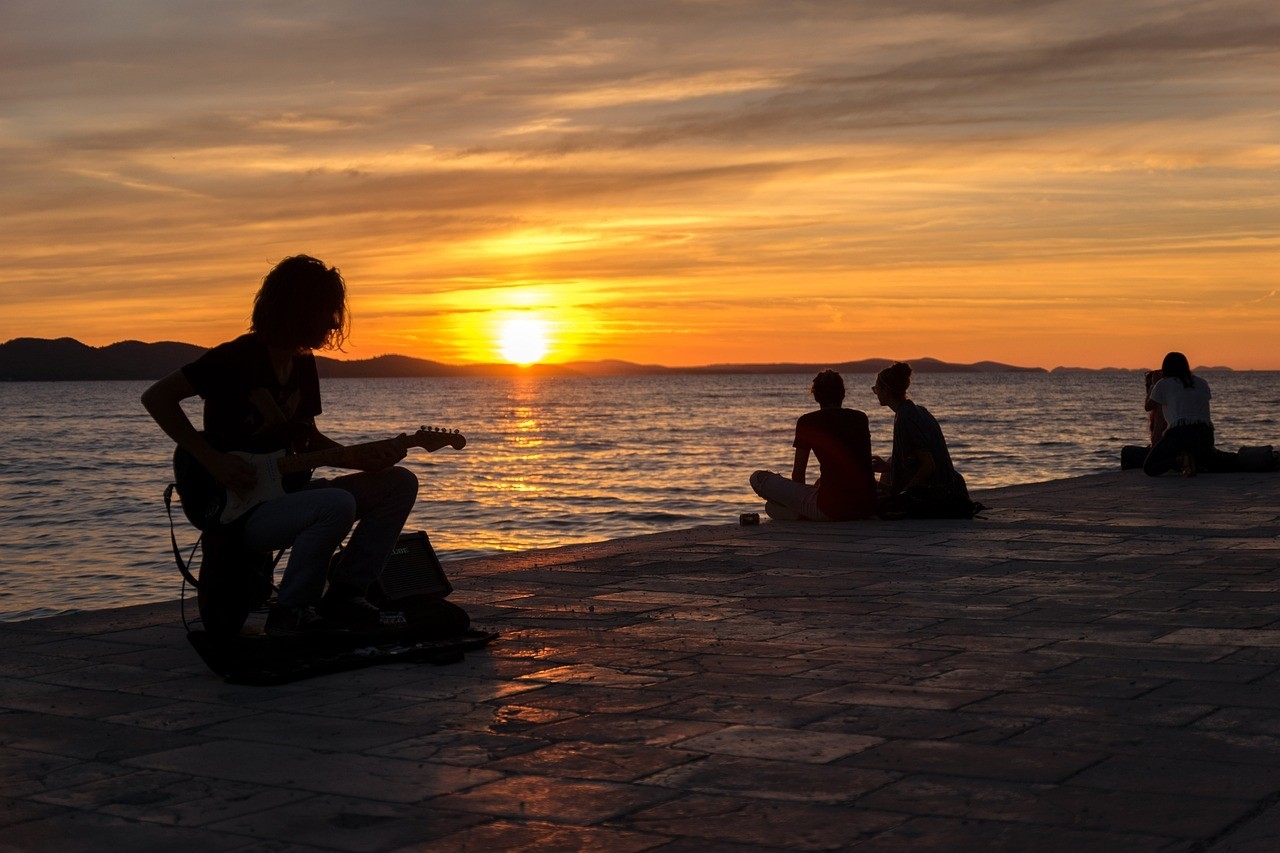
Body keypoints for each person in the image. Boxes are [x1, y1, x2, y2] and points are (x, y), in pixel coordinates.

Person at [142, 255, 419, 636]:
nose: (333, 321)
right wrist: (211, 459)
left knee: (399, 483)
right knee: (335, 504)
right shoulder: (233, 358)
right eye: (326, 310)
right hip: (239, 513)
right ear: (299, 308)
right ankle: (292, 612)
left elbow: (307, 439)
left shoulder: (302, 365)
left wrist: (359, 459)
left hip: (289, 495)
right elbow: (157, 397)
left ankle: (347, 594)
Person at [750, 370, 877, 521]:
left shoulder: (808, 422)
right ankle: (802, 512)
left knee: (757, 478)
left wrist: (795, 500)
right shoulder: (860, 418)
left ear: (816, 396)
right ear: (843, 394)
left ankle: (802, 513)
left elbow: (798, 472)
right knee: (772, 508)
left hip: (832, 509)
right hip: (867, 507)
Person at [870, 361, 974, 518]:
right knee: (890, 465)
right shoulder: (918, 411)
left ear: (886, 390)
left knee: (872, 500)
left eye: (876, 389)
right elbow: (916, 462)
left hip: (935, 495)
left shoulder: (905, 418)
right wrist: (886, 467)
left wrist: (902, 496)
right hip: (949, 486)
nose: (875, 392)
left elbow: (928, 465)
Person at [1142, 351, 1234, 476]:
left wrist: (1154, 384)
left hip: (1180, 433)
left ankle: (1179, 461)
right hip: (1206, 435)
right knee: (1205, 462)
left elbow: (1148, 406)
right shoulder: (1202, 382)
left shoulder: (1163, 384)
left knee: (1150, 467)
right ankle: (1189, 460)